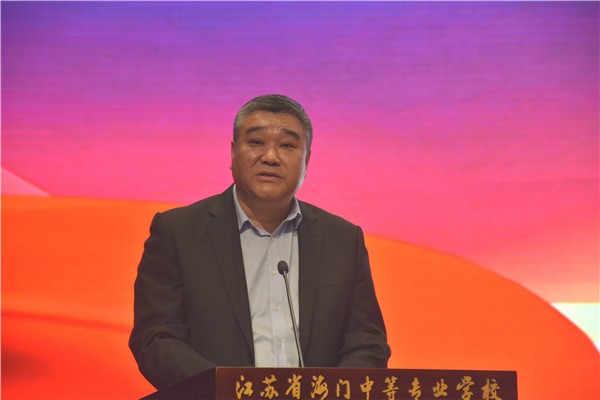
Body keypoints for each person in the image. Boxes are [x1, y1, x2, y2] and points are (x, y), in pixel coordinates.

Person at [129, 94, 391, 389]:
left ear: (307, 160)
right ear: (233, 153)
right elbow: (156, 339)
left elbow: (367, 344)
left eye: (287, 145)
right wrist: (226, 391)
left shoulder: (342, 240)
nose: (270, 156)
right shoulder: (179, 233)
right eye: (256, 142)